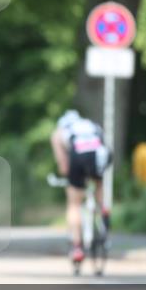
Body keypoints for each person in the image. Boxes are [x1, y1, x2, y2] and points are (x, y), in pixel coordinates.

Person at [50, 109, 112, 264]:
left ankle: (77, 247)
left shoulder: (60, 132)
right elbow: (103, 143)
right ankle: (103, 211)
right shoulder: (91, 125)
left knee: (74, 204)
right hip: (100, 153)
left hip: (78, 155)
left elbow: (63, 166)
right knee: (99, 182)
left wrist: (69, 177)